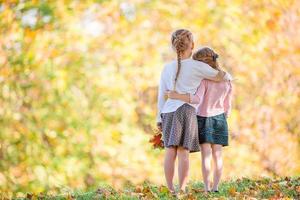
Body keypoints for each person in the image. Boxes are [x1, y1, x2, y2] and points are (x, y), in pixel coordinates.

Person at [157, 29, 232, 195]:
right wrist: (223, 73)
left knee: (170, 150)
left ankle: (170, 189)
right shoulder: (198, 66)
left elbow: (161, 95)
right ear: (192, 46)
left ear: (173, 46)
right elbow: (222, 76)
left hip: (168, 112)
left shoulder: (166, 68)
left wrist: (159, 118)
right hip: (187, 111)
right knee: (183, 150)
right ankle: (182, 189)